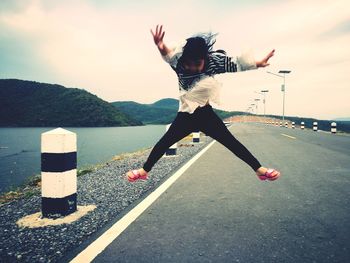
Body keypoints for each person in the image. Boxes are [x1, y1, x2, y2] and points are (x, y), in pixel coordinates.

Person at [126, 25, 281, 182]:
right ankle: (144, 170)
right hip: (185, 115)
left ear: (205, 59)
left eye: (197, 64)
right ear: (183, 60)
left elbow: (237, 64)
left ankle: (259, 170)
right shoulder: (178, 62)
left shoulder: (213, 62)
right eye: (189, 64)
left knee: (231, 142)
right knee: (164, 142)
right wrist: (161, 46)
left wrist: (257, 63)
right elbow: (167, 55)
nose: (192, 68)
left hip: (206, 115)